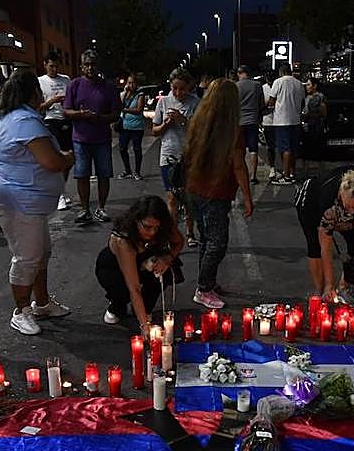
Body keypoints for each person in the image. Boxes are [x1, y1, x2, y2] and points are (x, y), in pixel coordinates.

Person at [0, 69, 75, 336]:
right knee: (27, 257)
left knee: (41, 252)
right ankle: (21, 310)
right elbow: (51, 161)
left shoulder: (9, 116)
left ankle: (42, 302)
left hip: (24, 200)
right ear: (33, 93)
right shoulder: (24, 120)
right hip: (17, 201)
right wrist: (67, 158)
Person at [183, 78, 253, 309]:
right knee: (217, 242)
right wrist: (247, 197)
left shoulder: (199, 122)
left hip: (195, 189)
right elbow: (238, 165)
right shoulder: (232, 130)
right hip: (216, 192)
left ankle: (208, 282)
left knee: (206, 239)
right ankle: (203, 289)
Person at [295, 165, 354, 302]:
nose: (352, 212)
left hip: (344, 204)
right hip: (310, 202)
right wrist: (329, 284)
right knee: (315, 246)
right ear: (342, 193)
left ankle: (343, 287)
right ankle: (321, 292)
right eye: (349, 206)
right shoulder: (328, 203)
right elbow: (326, 248)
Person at [95, 195, 183, 332]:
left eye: (156, 228)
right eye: (147, 227)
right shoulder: (123, 239)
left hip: (146, 261)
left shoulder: (163, 226)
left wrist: (167, 258)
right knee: (123, 291)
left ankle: (145, 307)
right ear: (136, 220)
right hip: (114, 268)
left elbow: (178, 242)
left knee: (163, 273)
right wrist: (144, 326)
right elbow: (134, 288)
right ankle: (117, 305)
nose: (152, 232)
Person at [63, 49, 120, 223]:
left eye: (93, 64)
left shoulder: (108, 86)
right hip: (80, 139)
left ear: (98, 66)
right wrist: (80, 115)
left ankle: (101, 208)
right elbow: (66, 111)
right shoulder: (74, 85)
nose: (90, 67)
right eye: (86, 64)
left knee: (104, 174)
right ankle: (84, 209)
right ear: (81, 66)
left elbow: (117, 113)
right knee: (82, 175)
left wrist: (100, 118)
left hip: (102, 139)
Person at [151, 69, 200, 240]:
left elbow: (199, 131)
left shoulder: (195, 103)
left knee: (188, 197)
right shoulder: (163, 102)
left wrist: (183, 120)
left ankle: (190, 232)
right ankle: (173, 235)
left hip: (188, 156)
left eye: (182, 89)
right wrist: (165, 124)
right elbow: (154, 130)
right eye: (175, 89)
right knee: (172, 197)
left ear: (189, 88)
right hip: (168, 154)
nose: (178, 93)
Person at [37, 51, 72, 212]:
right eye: (51, 66)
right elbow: (37, 107)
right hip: (49, 120)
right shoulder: (40, 82)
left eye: (57, 66)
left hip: (66, 120)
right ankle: (57, 195)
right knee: (56, 157)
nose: (54, 69)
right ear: (45, 65)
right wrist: (51, 101)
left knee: (68, 157)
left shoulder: (66, 80)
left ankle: (61, 190)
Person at [267, 62, 304, 185]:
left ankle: (286, 176)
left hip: (282, 121)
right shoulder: (299, 83)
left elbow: (271, 101)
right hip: (296, 120)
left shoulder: (278, 82)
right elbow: (302, 102)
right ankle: (292, 173)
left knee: (285, 149)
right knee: (293, 149)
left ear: (281, 72)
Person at [235, 65, 264, 184]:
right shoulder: (257, 86)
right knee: (253, 149)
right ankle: (253, 176)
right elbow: (261, 103)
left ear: (239, 73)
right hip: (253, 120)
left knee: (239, 149)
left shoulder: (236, 86)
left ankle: (241, 174)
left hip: (239, 121)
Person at [117, 72, 146, 180]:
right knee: (122, 148)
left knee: (137, 149)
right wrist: (125, 92)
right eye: (129, 83)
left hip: (137, 126)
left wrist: (126, 110)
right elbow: (119, 104)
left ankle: (137, 172)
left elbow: (139, 109)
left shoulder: (140, 94)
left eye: (133, 83)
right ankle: (127, 170)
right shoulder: (125, 93)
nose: (131, 85)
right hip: (125, 125)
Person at [301, 76, 327, 161]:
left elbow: (323, 112)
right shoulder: (307, 97)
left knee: (317, 153)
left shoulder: (320, 97)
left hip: (317, 127)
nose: (306, 87)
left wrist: (309, 115)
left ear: (314, 86)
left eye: (308, 85)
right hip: (308, 127)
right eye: (306, 85)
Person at [261, 75, 277, 171]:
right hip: (268, 120)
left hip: (279, 120)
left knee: (282, 147)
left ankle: (285, 169)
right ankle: (272, 168)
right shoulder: (263, 88)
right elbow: (262, 104)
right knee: (270, 147)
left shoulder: (278, 85)